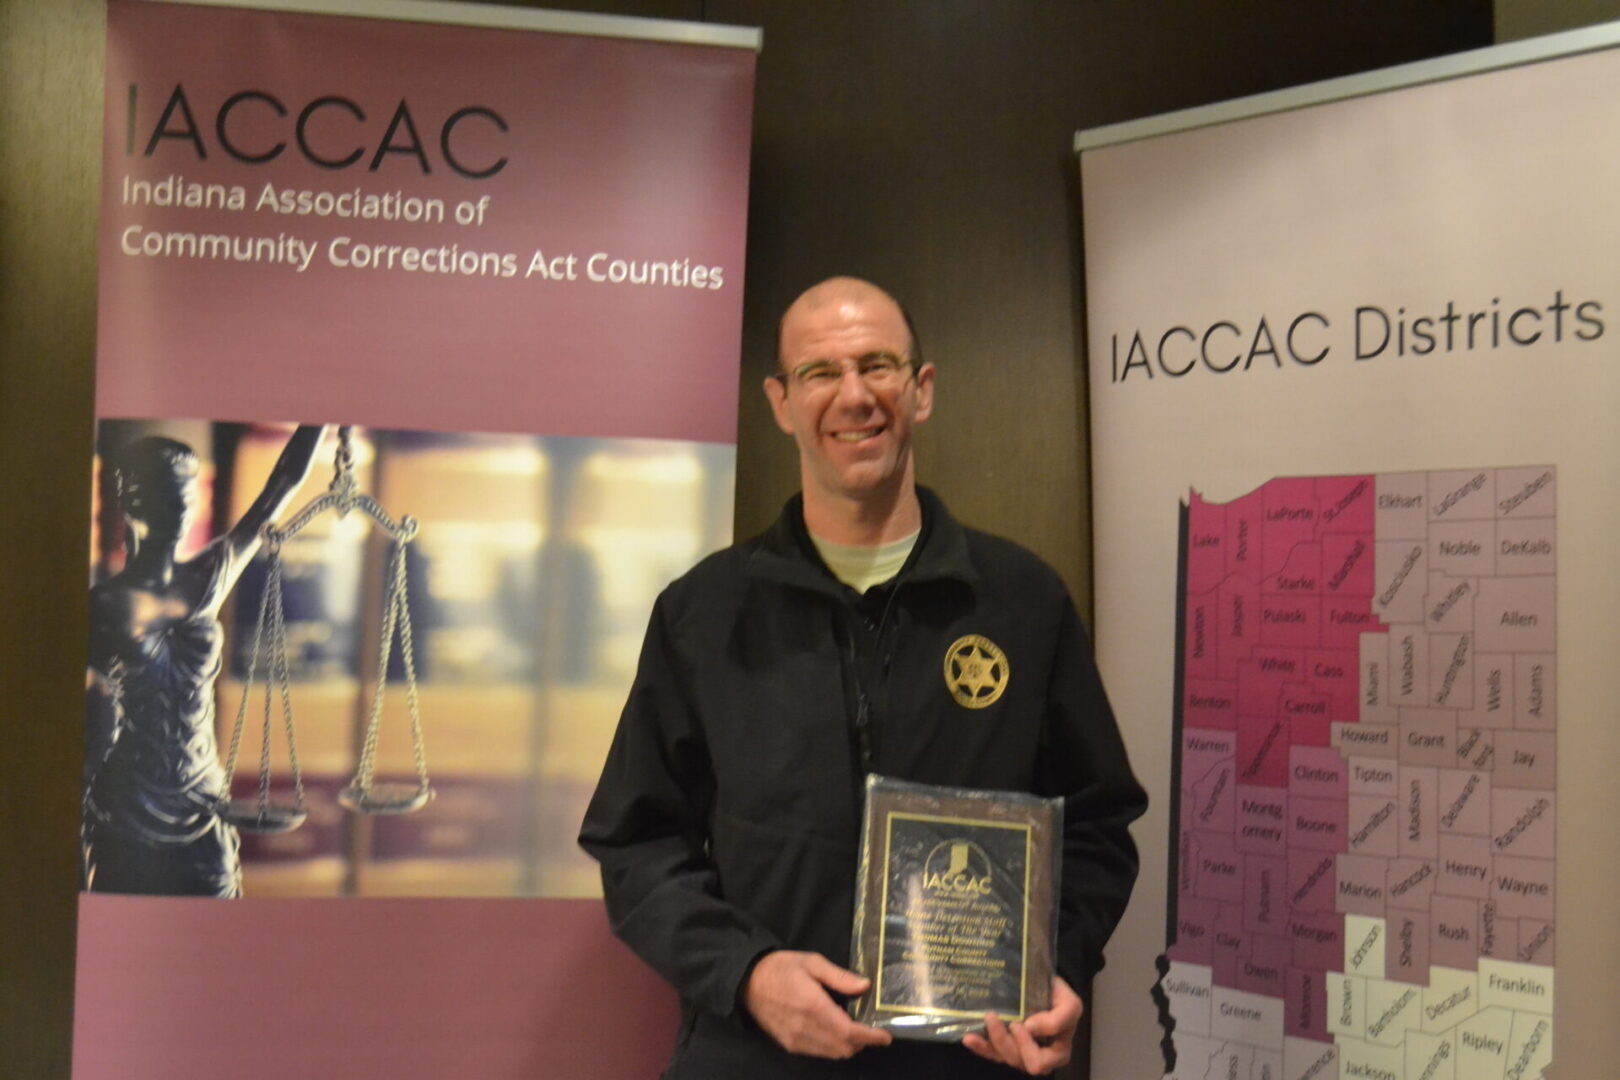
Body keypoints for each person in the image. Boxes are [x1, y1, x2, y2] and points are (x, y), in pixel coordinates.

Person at [579, 278, 1146, 1077]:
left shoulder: (1022, 602)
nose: (853, 396)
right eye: (820, 373)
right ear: (780, 401)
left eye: (878, 365)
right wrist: (747, 974)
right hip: (754, 1057)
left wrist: (1062, 967)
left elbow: (1097, 824)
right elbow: (636, 844)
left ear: (922, 390)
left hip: (970, 1061)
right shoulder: (702, 614)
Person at [84, 424, 327, 897]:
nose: (183, 507)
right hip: (130, 804)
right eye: (170, 494)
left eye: (189, 494)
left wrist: (325, 420)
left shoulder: (210, 575)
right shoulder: (105, 604)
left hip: (202, 798)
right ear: (137, 502)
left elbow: (283, 483)